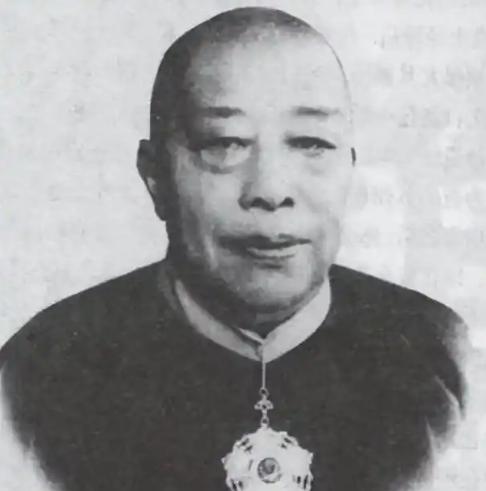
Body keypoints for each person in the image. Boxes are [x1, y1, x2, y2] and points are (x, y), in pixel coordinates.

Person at [0, 7, 468, 491]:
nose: (270, 190)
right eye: (224, 143)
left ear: (349, 167)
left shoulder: (444, 357)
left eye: (311, 142)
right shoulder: (38, 375)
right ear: (155, 176)